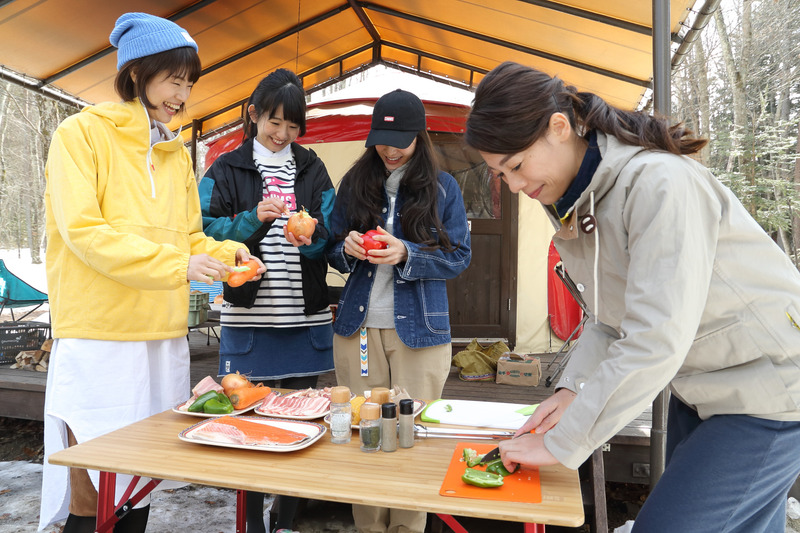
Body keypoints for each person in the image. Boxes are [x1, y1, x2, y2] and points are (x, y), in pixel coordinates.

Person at [465, 61, 800, 532]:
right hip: (703, 387)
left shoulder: (660, 183)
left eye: (516, 166)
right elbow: (607, 320)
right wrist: (570, 391)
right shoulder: (575, 202)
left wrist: (564, 442)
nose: (516, 187)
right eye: (502, 175)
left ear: (559, 127)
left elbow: (654, 337)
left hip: (769, 391)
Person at [39, 12, 264, 533]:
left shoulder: (173, 152)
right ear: (137, 73)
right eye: (174, 79)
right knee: (92, 485)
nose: (183, 94)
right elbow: (84, 232)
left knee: (140, 480)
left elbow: (188, 238)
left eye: (189, 83)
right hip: (100, 336)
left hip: (162, 335)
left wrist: (231, 254)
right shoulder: (81, 134)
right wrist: (179, 265)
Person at [326, 89, 471, 533]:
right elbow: (330, 249)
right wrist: (347, 249)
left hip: (421, 334)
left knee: (412, 439)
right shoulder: (354, 182)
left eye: (400, 140)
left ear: (419, 137)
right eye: (381, 139)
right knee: (364, 438)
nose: (389, 149)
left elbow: (459, 256)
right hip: (359, 332)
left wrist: (407, 253)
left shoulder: (443, 187)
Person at [199, 68, 335, 533]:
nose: (282, 135)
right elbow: (199, 230)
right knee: (249, 431)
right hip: (249, 320)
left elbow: (331, 235)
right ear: (254, 115)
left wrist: (314, 237)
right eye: (275, 123)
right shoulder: (226, 168)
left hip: (306, 319)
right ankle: (252, 525)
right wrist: (247, 220)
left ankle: (287, 520)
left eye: (293, 127)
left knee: (301, 428)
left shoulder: (313, 169)